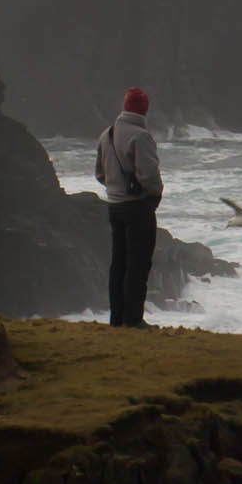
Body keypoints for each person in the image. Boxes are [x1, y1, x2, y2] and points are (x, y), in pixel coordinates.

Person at [95, 86, 162, 327]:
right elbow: (150, 176)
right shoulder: (141, 136)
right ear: (145, 110)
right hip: (137, 207)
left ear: (125, 106)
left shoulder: (107, 134)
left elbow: (99, 174)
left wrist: (115, 188)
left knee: (119, 263)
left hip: (114, 205)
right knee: (138, 264)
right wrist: (154, 195)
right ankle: (134, 320)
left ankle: (117, 318)